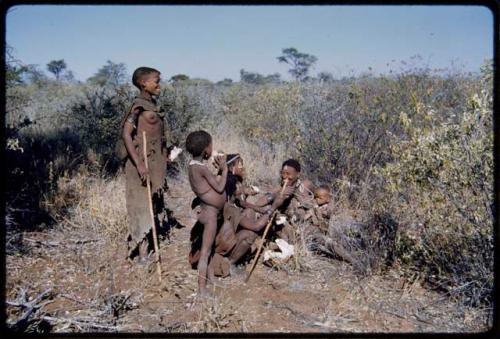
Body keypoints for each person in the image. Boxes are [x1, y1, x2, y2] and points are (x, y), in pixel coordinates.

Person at [121, 67, 168, 263]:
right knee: (141, 204)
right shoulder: (137, 107)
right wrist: (139, 164)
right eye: (155, 81)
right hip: (140, 161)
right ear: (143, 83)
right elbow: (126, 135)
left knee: (153, 202)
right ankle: (142, 253)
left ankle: (149, 245)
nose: (159, 84)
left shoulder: (152, 105)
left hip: (154, 161)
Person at [185, 130, 227, 297]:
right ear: (206, 150)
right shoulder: (201, 169)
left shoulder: (193, 166)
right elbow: (219, 188)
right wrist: (224, 170)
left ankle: (210, 279)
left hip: (206, 211)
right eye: (211, 146)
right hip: (209, 214)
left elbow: (208, 186)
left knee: (208, 248)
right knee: (205, 251)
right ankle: (202, 289)